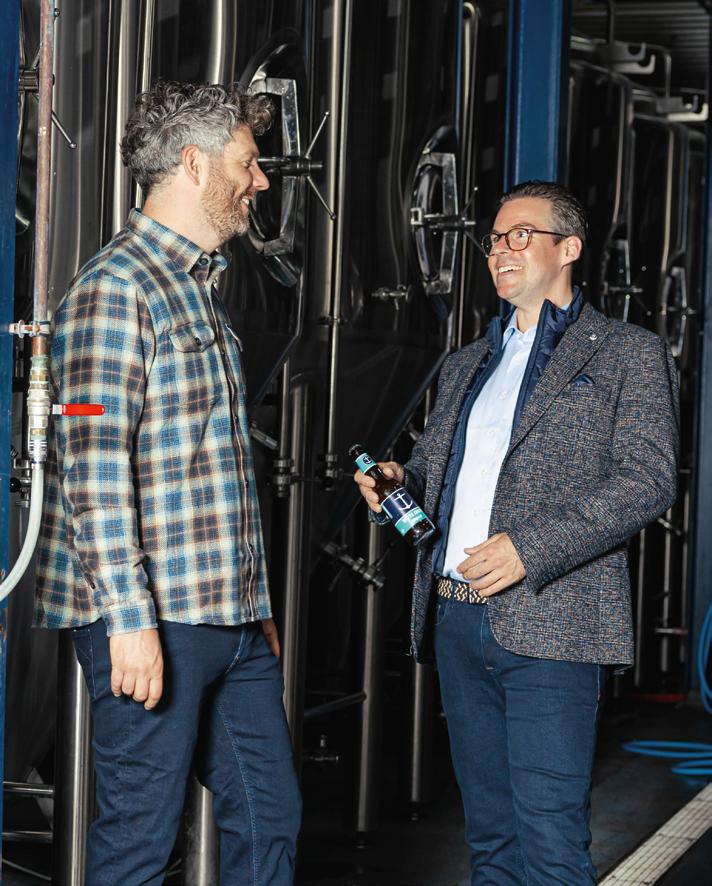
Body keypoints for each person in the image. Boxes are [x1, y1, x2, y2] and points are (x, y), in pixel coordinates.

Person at [355, 180, 679, 885]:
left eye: (521, 235)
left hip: (553, 625)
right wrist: (397, 482)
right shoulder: (468, 361)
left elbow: (648, 481)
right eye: (495, 239)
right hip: (456, 620)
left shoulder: (627, 353)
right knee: (491, 841)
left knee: (551, 844)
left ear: (569, 248)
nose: (501, 250)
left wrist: (531, 549)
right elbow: (436, 471)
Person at [35, 80, 301, 886]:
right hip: (155, 617)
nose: (261, 181)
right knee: (140, 840)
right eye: (247, 163)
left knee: (269, 815)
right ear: (193, 163)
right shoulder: (116, 290)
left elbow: (207, 465)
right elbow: (93, 469)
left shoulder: (196, 288)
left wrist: (254, 602)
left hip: (230, 615)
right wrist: (128, 621)